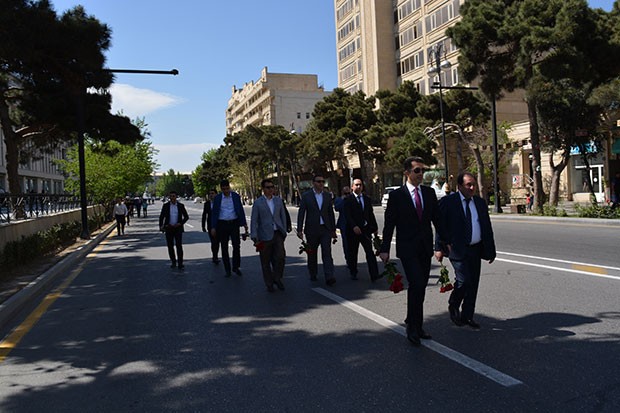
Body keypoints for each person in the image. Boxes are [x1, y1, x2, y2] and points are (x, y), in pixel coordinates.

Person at [380, 156, 443, 346]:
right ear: (407, 173)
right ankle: (413, 328)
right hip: (407, 249)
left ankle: (415, 322)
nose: (421, 174)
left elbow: (437, 220)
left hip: (425, 248)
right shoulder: (397, 196)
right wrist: (384, 249)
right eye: (417, 170)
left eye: (422, 170)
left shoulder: (429, 193)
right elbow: (389, 224)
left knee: (421, 287)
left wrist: (442, 244)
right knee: (416, 284)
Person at [435, 171, 496, 330]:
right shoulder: (448, 202)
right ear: (459, 186)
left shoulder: (479, 203)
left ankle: (468, 316)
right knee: (464, 280)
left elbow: (486, 227)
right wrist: (438, 248)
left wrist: (491, 250)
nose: (472, 188)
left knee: (473, 283)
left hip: (475, 249)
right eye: (468, 184)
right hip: (456, 249)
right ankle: (454, 304)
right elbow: (440, 226)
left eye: (473, 184)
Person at [297, 174, 338, 286]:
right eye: (319, 181)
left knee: (327, 252)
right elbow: (301, 213)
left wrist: (333, 229)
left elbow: (330, 213)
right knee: (312, 253)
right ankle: (313, 273)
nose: (321, 184)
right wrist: (299, 230)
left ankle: (329, 276)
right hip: (312, 230)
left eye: (322, 181)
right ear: (313, 183)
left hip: (325, 229)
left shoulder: (327, 196)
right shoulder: (306, 196)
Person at [251, 179, 289, 292]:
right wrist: (254, 235)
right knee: (265, 261)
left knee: (281, 257)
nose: (271, 189)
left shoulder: (278, 201)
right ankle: (269, 283)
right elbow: (254, 220)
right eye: (268, 187)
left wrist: (284, 230)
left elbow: (283, 216)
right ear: (263, 189)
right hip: (264, 235)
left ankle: (277, 278)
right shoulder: (258, 203)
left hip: (277, 233)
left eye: (272, 187)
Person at [344, 178, 380, 281]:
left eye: (360, 185)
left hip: (365, 230)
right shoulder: (348, 200)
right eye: (356, 185)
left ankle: (374, 274)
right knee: (352, 252)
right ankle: (353, 271)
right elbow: (347, 215)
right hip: (353, 231)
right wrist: (354, 226)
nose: (358, 187)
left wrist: (375, 227)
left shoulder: (366, 199)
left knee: (369, 252)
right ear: (352, 187)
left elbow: (370, 214)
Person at [211, 180, 248, 277]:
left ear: (229, 187)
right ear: (221, 189)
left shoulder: (235, 196)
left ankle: (236, 267)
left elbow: (240, 210)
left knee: (236, 245)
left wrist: (244, 223)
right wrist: (213, 227)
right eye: (223, 189)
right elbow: (214, 213)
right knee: (224, 247)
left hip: (234, 223)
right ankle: (227, 269)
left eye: (227, 188)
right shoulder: (218, 198)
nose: (226, 191)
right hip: (222, 224)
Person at [159, 191, 190, 269]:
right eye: (171, 196)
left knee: (179, 246)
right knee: (170, 246)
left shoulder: (180, 206)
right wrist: (161, 226)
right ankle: (173, 262)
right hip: (169, 228)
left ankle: (180, 263)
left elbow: (186, 217)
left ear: (176, 197)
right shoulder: (166, 206)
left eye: (173, 196)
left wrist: (180, 223)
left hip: (178, 228)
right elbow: (161, 217)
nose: (172, 198)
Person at [334, 186, 352, 270]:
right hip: (344, 224)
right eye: (346, 193)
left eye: (349, 193)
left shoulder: (352, 199)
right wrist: (343, 200)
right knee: (346, 243)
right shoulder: (339, 200)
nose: (347, 195)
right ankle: (348, 260)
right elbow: (337, 208)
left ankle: (353, 259)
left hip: (353, 225)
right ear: (342, 193)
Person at [201, 189, 220, 264]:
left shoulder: (219, 202)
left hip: (219, 224)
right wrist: (203, 226)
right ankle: (214, 256)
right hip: (210, 225)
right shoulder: (207, 204)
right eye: (210, 194)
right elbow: (204, 215)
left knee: (217, 241)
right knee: (213, 241)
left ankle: (215, 255)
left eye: (212, 193)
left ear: (216, 194)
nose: (211, 195)